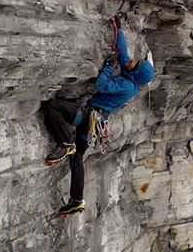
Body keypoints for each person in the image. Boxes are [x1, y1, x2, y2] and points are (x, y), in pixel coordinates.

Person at [41, 24, 155, 216]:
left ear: (136, 72)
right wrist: (117, 29)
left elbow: (102, 85)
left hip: (89, 117)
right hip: (97, 123)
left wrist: (109, 67)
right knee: (77, 158)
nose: (132, 61)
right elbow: (123, 55)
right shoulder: (133, 79)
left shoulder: (126, 86)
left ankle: (65, 142)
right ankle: (77, 200)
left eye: (135, 64)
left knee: (52, 106)